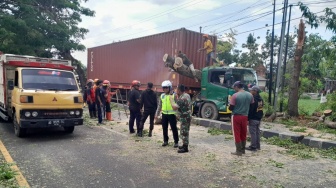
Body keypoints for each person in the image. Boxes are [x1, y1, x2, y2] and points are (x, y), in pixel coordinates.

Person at [229, 81, 254, 156]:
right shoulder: (250, 95)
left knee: (236, 133)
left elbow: (231, 107)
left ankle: (238, 151)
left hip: (236, 116)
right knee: (244, 133)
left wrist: (229, 105)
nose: (234, 89)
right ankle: (243, 149)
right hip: (245, 116)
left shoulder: (235, 95)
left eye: (234, 87)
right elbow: (252, 106)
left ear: (237, 87)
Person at [155, 80, 179, 148]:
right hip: (164, 114)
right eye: (164, 88)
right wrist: (157, 114)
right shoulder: (162, 96)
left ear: (170, 87)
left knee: (174, 128)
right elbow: (159, 106)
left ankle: (176, 142)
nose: (165, 89)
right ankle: (165, 141)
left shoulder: (174, 95)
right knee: (164, 128)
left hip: (172, 115)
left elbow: (177, 104)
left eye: (166, 88)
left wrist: (178, 114)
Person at [171, 84, 191, 153]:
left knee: (184, 131)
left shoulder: (182, 98)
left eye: (176, 89)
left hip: (184, 117)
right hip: (187, 116)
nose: (176, 91)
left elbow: (174, 107)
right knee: (185, 130)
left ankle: (185, 148)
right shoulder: (187, 95)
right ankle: (184, 144)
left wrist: (171, 99)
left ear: (179, 90)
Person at [247, 85, 264, 151]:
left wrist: (248, 118)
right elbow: (260, 109)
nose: (250, 91)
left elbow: (251, 110)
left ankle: (253, 146)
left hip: (253, 118)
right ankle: (257, 146)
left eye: (252, 90)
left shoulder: (253, 99)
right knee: (257, 132)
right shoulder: (260, 99)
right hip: (258, 118)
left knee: (253, 133)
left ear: (255, 91)